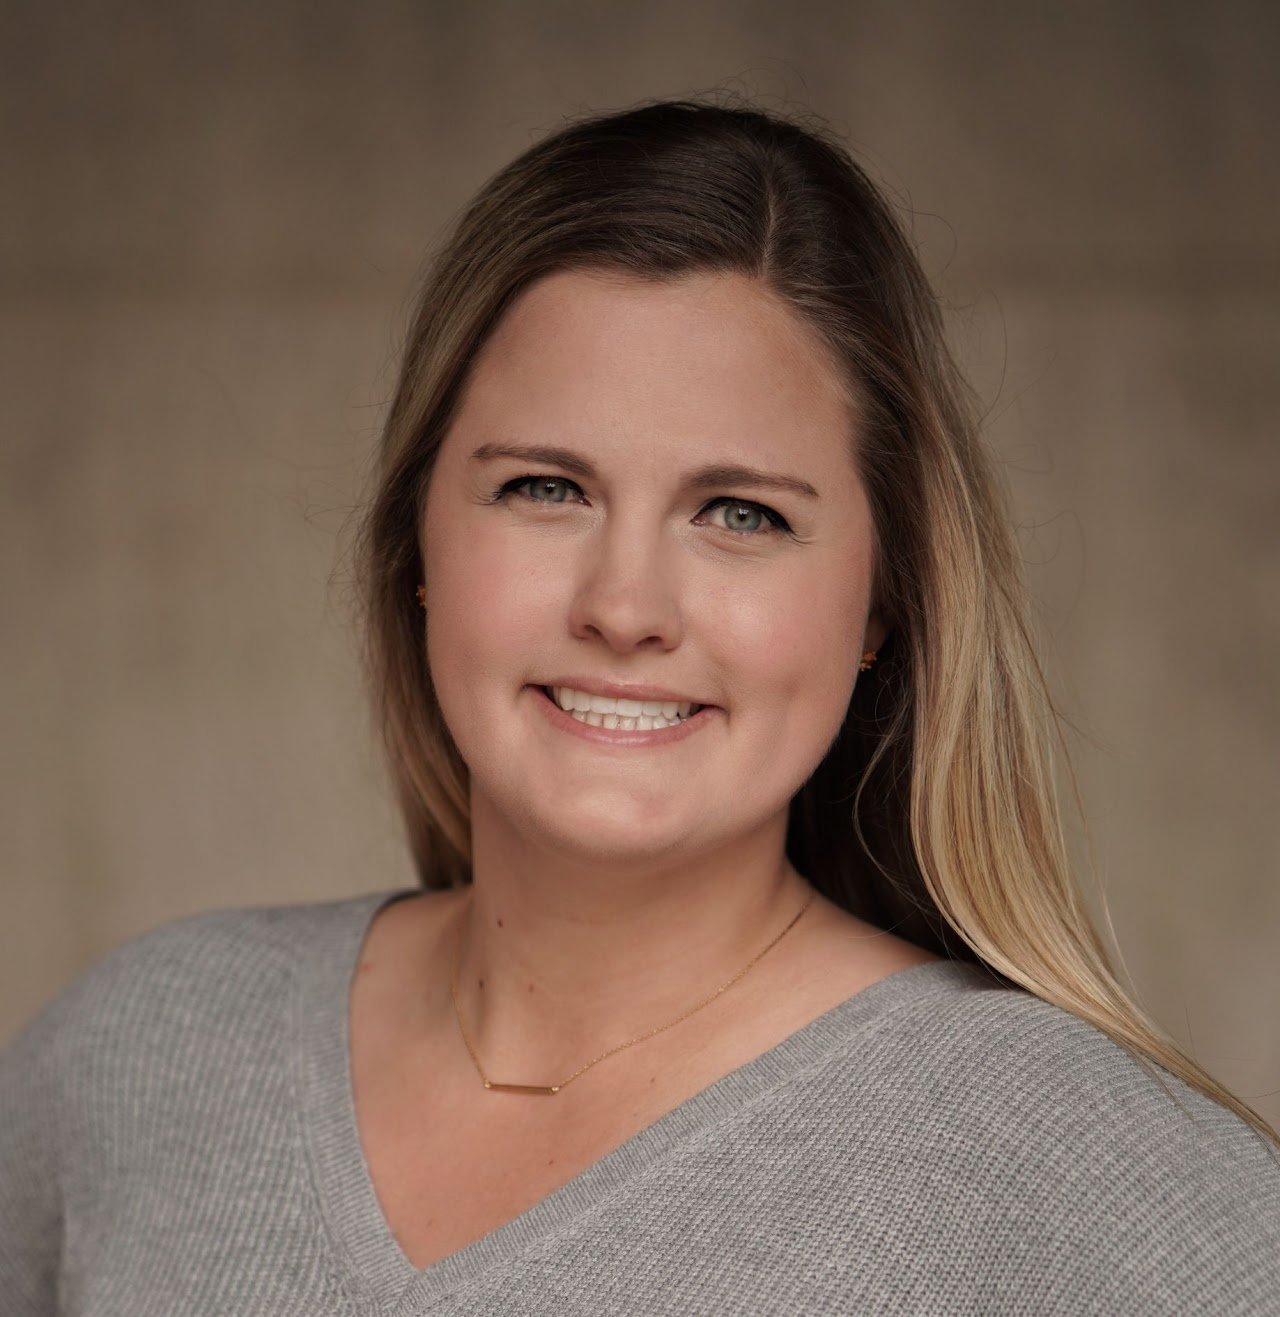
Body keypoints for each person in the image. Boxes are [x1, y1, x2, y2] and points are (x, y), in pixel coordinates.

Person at [2, 98, 1278, 1316]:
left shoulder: (1045, 1148)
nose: (625, 606)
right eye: (546, 488)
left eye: (742, 514)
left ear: (883, 599)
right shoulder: (145, 1057)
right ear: (417, 548)